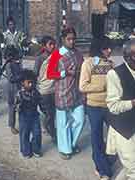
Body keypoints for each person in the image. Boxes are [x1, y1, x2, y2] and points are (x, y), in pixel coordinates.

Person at [47, 27, 85, 160]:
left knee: (80, 120)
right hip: (62, 93)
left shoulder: (78, 53)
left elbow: (84, 69)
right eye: (69, 39)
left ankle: (72, 143)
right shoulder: (57, 54)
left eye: (73, 39)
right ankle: (65, 149)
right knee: (63, 123)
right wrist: (65, 73)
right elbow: (50, 74)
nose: (72, 42)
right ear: (63, 39)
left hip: (77, 92)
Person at [79, 38, 114, 180]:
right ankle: (102, 169)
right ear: (99, 49)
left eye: (110, 48)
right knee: (97, 138)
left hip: (110, 106)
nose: (110, 51)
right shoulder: (88, 64)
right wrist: (102, 87)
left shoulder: (111, 64)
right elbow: (82, 86)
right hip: (94, 107)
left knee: (114, 137)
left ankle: (106, 161)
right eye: (106, 48)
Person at [106, 39, 135, 180]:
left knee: (130, 168)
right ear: (127, 57)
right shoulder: (115, 74)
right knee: (133, 170)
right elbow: (113, 106)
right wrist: (132, 103)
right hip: (124, 131)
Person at [14, 69, 44, 158]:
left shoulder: (36, 92)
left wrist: (44, 111)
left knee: (37, 133)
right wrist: (19, 106)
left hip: (35, 115)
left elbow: (41, 103)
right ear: (23, 83)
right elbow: (16, 107)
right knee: (24, 134)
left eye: (33, 82)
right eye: (29, 82)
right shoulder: (20, 94)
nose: (31, 84)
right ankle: (25, 151)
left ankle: (36, 149)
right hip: (24, 116)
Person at [34, 35, 56, 141]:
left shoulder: (56, 56)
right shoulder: (40, 59)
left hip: (54, 89)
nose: (52, 46)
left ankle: (49, 128)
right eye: (50, 44)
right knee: (49, 113)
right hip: (43, 90)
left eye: (53, 44)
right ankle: (53, 134)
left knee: (52, 113)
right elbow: (35, 74)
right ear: (44, 46)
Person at [4, 45, 22, 134]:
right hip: (12, 89)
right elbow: (11, 78)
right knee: (12, 107)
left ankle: (21, 124)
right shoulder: (9, 65)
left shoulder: (18, 63)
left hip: (18, 87)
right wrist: (21, 76)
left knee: (21, 107)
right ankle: (12, 125)